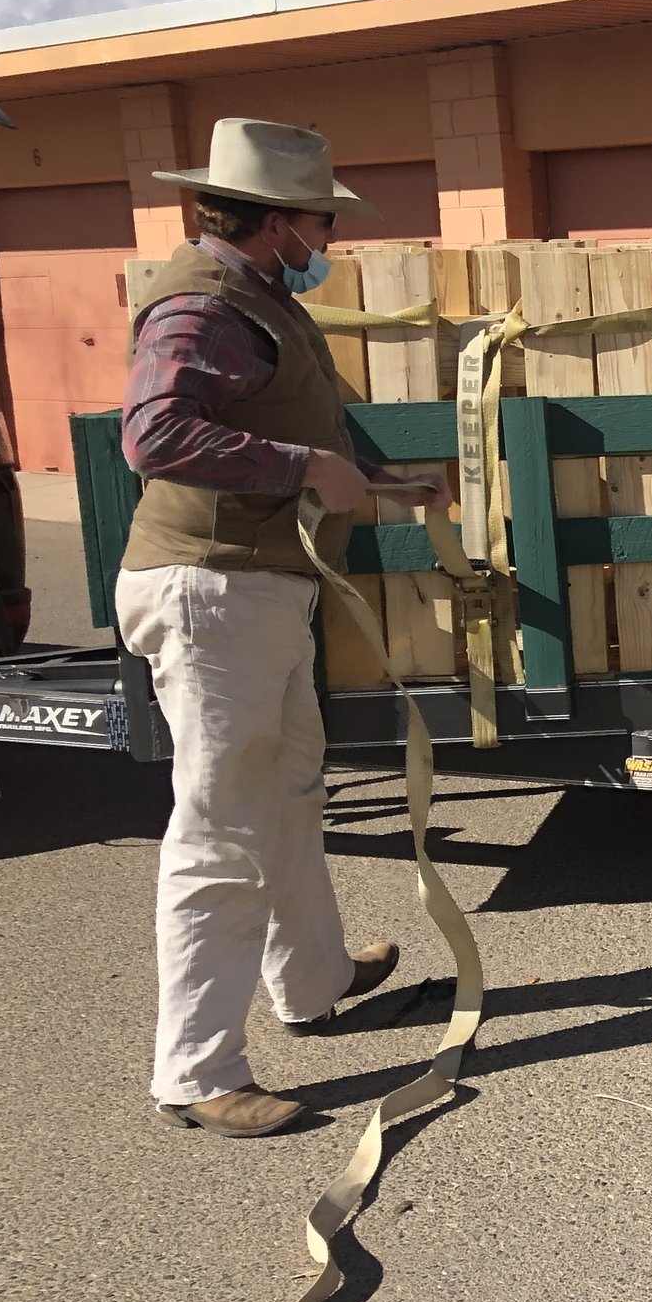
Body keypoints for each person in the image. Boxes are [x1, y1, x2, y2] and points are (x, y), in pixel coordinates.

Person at [116, 118, 443, 1138]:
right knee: (220, 826)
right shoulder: (203, 306)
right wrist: (304, 471)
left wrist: (384, 485)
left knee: (292, 785)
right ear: (273, 224)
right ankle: (196, 1072)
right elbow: (156, 432)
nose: (326, 239)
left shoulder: (253, 301)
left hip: (259, 588)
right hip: (212, 594)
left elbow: (291, 435)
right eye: (317, 221)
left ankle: (314, 979)